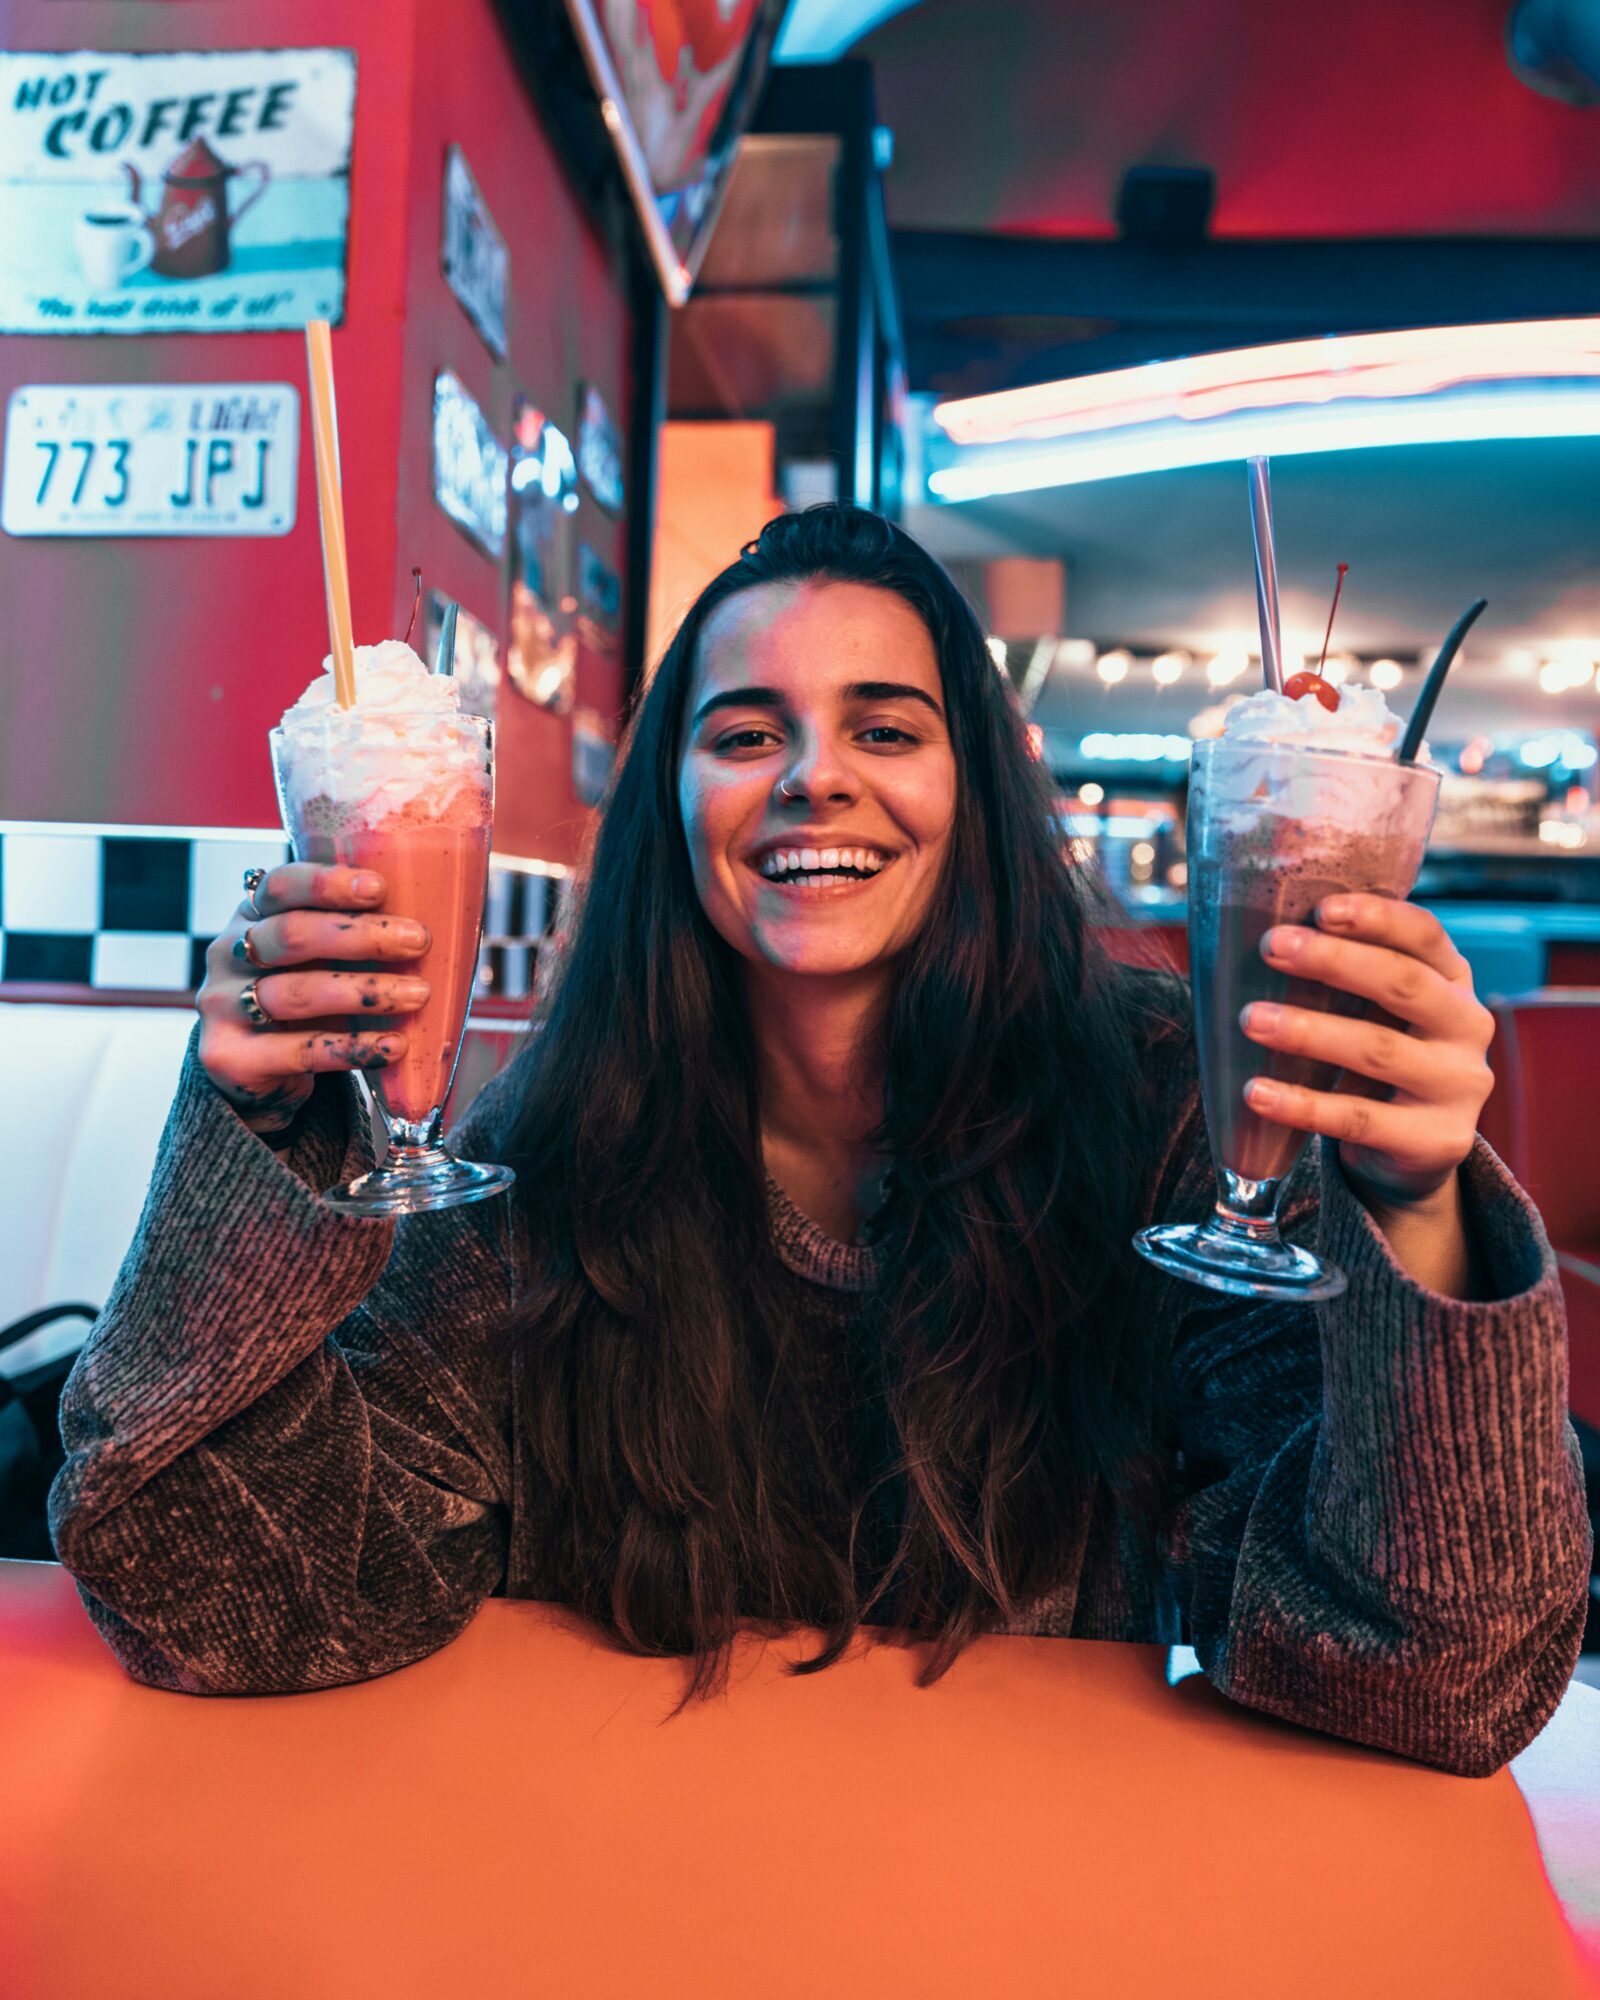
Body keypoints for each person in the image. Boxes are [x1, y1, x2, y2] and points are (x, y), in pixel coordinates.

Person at [47, 505, 1591, 1775]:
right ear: (672, 800)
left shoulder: (1162, 1118)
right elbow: (228, 1603)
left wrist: (1418, 1203)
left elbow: (1435, 1678)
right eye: (744, 731)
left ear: (972, 791)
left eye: (884, 725)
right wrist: (248, 1129)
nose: (815, 776)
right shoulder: (540, 1151)